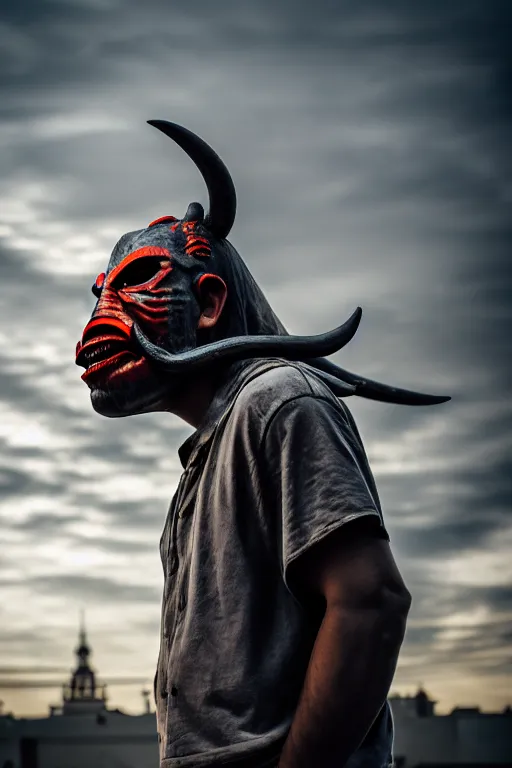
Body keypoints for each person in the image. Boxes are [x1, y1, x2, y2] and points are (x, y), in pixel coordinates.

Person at [76, 121, 449, 767]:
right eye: (99, 295)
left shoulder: (278, 400)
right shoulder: (216, 443)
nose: (101, 315)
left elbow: (370, 600)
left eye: (135, 281)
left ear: (211, 300)